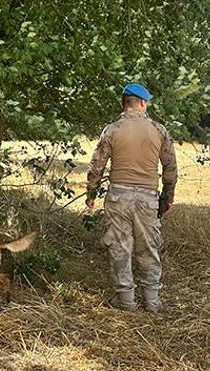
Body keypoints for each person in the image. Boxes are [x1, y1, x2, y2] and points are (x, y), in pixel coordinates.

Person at [85, 83, 178, 313]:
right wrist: (167, 198)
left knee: (119, 247)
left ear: (123, 103)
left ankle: (126, 300)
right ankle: (152, 301)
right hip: (147, 198)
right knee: (148, 248)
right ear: (143, 103)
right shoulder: (159, 130)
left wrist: (91, 193)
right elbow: (170, 168)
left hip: (118, 197)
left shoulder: (112, 130)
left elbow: (96, 165)